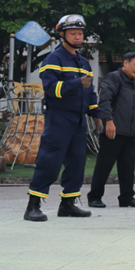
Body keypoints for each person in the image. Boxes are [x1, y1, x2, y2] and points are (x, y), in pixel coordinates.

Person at [24, 15, 103, 222]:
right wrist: (77, 83)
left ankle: (68, 204)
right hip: (59, 117)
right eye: (73, 33)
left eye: (80, 33)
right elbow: (51, 89)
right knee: (50, 160)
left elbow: (90, 92)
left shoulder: (83, 61)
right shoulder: (53, 59)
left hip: (78, 120)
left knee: (77, 163)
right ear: (62, 34)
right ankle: (33, 205)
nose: (78, 37)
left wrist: (96, 115)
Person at [87, 52, 135, 208]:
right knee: (104, 165)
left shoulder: (131, 83)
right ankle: (94, 197)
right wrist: (109, 121)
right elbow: (105, 100)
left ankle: (126, 197)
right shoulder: (114, 77)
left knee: (128, 166)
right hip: (113, 130)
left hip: (129, 132)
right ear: (125, 63)